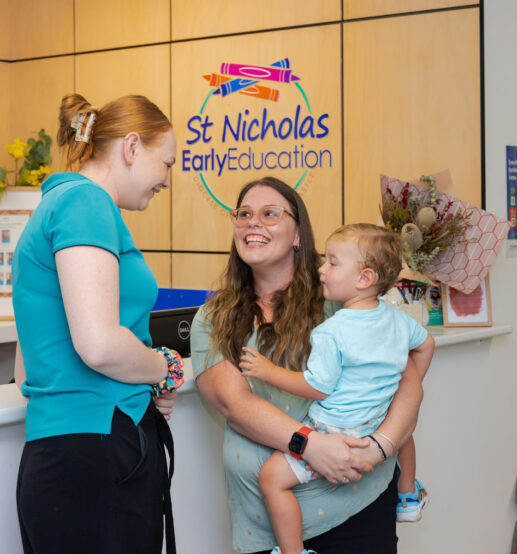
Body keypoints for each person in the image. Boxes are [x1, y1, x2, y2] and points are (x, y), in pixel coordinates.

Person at [191, 176, 425, 554]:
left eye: (270, 214)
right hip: (265, 523)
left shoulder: (341, 296)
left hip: (357, 505)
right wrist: (310, 446)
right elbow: (236, 405)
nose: (253, 222)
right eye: (244, 214)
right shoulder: (212, 318)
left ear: (298, 234)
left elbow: (408, 384)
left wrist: (380, 448)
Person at [13, 93, 182, 554]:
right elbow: (101, 346)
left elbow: (25, 368)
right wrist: (163, 366)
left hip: (70, 453)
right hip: (98, 453)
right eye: (165, 163)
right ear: (131, 147)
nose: (166, 180)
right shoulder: (86, 204)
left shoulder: (56, 204)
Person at [238, 223, 435, 554]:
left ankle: (292, 551)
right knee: (405, 433)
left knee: (271, 479)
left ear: (364, 278)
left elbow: (316, 386)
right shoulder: (398, 320)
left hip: (336, 430)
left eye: (332, 262)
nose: (322, 269)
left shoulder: (332, 331)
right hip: (376, 423)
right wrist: (391, 388)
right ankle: (407, 496)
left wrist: (269, 371)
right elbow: (426, 345)